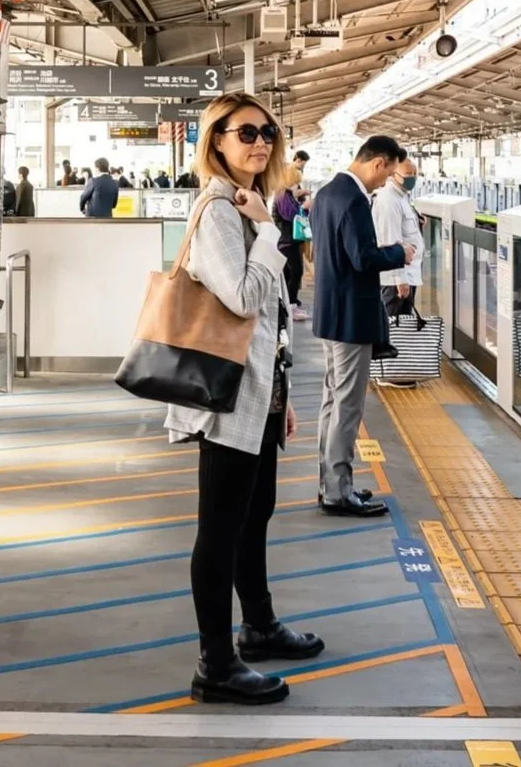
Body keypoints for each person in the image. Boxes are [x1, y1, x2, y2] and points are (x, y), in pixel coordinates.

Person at [165, 92, 324, 707]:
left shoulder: (246, 205)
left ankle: (258, 624)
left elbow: (272, 319)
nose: (259, 142)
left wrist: (280, 391)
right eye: (245, 132)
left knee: (255, 514)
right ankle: (216, 661)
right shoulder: (219, 211)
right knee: (220, 528)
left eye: (266, 133)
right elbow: (243, 298)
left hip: (258, 388)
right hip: (227, 395)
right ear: (217, 142)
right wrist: (266, 230)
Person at [311, 137, 415, 517]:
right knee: (347, 408)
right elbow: (362, 258)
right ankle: (339, 492)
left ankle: (330, 485)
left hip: (330, 314)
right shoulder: (354, 199)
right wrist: (398, 253)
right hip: (351, 319)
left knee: (331, 403)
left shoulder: (326, 193)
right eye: (388, 172)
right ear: (378, 163)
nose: (385, 180)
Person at [373, 158, 424, 388]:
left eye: (415, 172)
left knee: (400, 321)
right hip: (397, 276)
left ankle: (397, 367)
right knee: (391, 321)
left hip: (408, 273)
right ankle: (386, 371)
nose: (412, 177)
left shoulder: (401, 196)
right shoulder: (388, 200)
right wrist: (399, 279)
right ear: (394, 173)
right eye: (408, 173)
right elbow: (389, 240)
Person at [272, 164, 307, 323]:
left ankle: (289, 303)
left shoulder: (286, 195)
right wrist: (304, 207)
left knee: (290, 274)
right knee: (295, 272)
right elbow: (291, 216)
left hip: (287, 241)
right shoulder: (282, 196)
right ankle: (290, 304)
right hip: (286, 241)